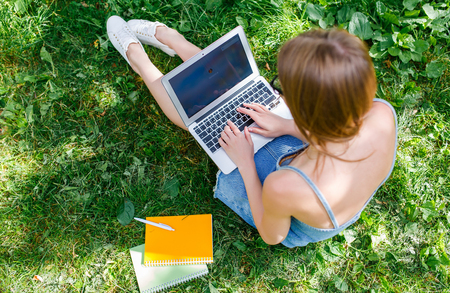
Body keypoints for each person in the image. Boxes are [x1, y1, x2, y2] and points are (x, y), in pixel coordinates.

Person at [106, 16, 397, 248]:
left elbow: (273, 235)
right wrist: (286, 124)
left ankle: (139, 60)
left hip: (289, 214)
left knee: (195, 120)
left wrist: (245, 163)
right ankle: (173, 40)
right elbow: (335, 143)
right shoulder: (381, 113)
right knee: (238, 98)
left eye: (283, 91)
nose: (280, 91)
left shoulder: (283, 187)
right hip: (310, 176)